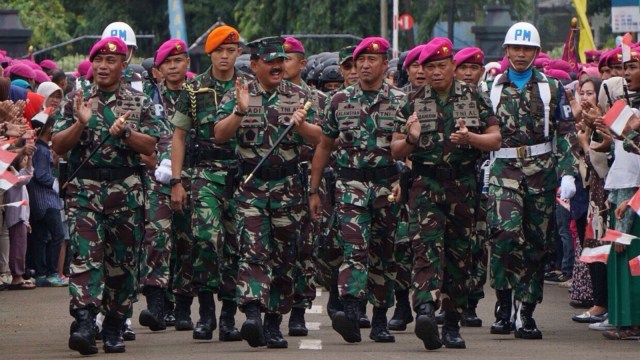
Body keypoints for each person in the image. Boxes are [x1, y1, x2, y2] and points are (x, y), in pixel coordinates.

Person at [52, 36, 162, 355]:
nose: (103, 66)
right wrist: (80, 125)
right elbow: (57, 145)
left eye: (111, 60)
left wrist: (125, 132)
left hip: (125, 193)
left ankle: (114, 323)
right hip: (85, 191)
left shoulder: (137, 102)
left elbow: (151, 146)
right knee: (86, 257)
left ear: (123, 65)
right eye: (98, 59)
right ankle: (85, 323)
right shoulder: (76, 97)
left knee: (122, 264)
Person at [390, 37, 500, 350]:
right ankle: (425, 310)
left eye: (442, 65)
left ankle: (451, 323)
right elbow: (395, 150)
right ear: (421, 69)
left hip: (463, 186)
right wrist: (410, 140)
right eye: (430, 67)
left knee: (458, 254)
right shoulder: (411, 99)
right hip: (425, 185)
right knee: (425, 248)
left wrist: (471, 138)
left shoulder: (472, 96)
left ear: (452, 66)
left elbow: (495, 139)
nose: (436, 72)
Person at [214, 36, 320, 349]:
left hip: (288, 190)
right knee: (253, 251)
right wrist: (238, 112)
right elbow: (219, 135)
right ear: (255, 64)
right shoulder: (240, 92)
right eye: (270, 61)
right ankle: (252, 314)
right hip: (251, 187)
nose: (277, 66)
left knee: (285, 258)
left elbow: (321, 139)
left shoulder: (300, 94)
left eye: (281, 61)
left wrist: (301, 127)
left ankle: (274, 320)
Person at [486, 22, 578, 340]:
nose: (521, 54)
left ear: (537, 53)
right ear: (507, 51)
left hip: (541, 172)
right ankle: (503, 302)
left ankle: (526, 312)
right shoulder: (491, 87)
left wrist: (568, 171)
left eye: (527, 49)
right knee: (505, 237)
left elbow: (565, 132)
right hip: (503, 171)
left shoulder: (551, 88)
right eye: (516, 48)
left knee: (537, 246)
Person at [309, 37, 402, 344]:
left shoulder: (400, 100)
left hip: (387, 187)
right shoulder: (339, 100)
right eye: (360, 60)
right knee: (353, 249)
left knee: (383, 253)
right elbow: (324, 145)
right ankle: (350, 314)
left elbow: (408, 148)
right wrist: (314, 189)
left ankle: (379, 319)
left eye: (371, 60)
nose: (364, 65)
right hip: (351, 187)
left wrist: (404, 179)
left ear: (384, 65)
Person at [170, 25, 246, 342]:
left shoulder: (249, 87)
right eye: (219, 51)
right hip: (204, 173)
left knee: (235, 245)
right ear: (209, 54)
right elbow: (178, 136)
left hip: (241, 176)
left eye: (230, 50)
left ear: (238, 52)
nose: (225, 56)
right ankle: (205, 315)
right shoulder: (194, 89)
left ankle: (228, 317)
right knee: (204, 240)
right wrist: (176, 180)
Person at [137, 38, 189, 333]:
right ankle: (156, 304)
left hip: (190, 177)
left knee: (186, 240)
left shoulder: (198, 95)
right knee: (156, 237)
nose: (172, 66)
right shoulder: (145, 98)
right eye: (167, 62)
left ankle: (181, 306)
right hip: (156, 177)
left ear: (187, 64)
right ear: (158, 69)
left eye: (177, 61)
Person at [27, 112, 67, 288]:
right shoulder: (41, 150)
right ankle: (51, 272)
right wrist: (56, 183)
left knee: (41, 236)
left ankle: (41, 272)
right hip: (47, 200)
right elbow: (41, 175)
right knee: (57, 235)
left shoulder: (39, 148)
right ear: (50, 128)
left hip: (38, 200)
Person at [5, 151, 34, 290]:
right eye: (24, 160)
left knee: (21, 247)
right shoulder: (11, 175)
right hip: (16, 216)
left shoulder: (15, 175)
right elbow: (25, 178)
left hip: (21, 217)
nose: (26, 162)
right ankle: (17, 276)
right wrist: (30, 161)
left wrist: (27, 221)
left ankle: (19, 275)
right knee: (18, 248)